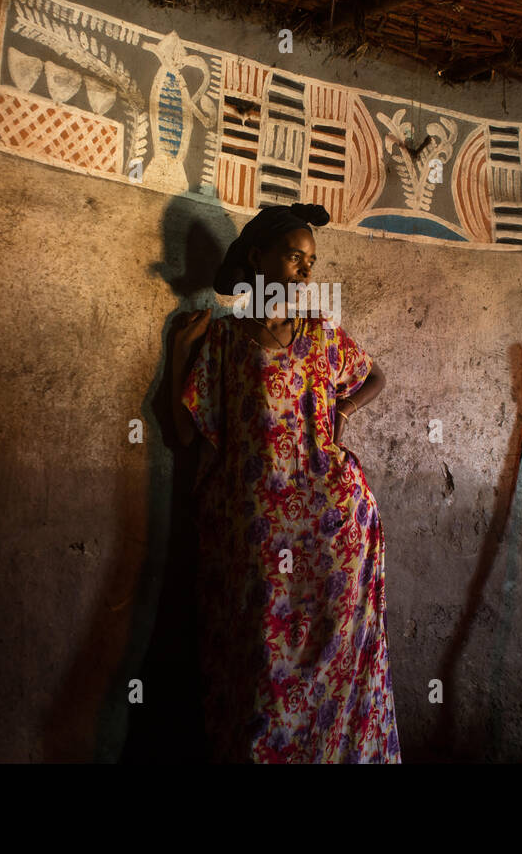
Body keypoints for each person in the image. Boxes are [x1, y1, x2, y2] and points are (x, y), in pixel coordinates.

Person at [169, 202, 401, 763]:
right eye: (294, 257)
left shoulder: (321, 333)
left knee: (338, 651)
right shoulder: (223, 341)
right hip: (254, 521)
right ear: (257, 258)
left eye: (311, 262)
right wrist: (179, 352)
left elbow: (375, 376)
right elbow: (185, 433)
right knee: (261, 660)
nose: (305, 270)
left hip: (332, 522)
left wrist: (342, 414)